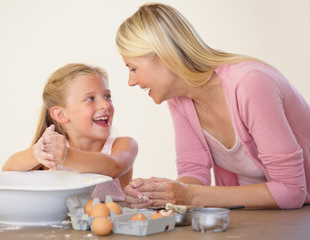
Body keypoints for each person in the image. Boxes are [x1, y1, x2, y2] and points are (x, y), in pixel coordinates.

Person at [115, 3, 310, 209]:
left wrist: (189, 196)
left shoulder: (251, 83)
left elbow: (292, 191)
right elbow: (194, 172)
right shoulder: (179, 98)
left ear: (165, 56)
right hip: (258, 216)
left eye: (133, 68)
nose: (131, 81)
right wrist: (164, 192)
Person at [2, 63, 138, 201]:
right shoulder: (54, 153)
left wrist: (66, 156)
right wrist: (38, 153)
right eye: (90, 98)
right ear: (60, 114)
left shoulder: (124, 145)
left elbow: (113, 167)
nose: (105, 104)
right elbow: (9, 171)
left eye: (107, 96)